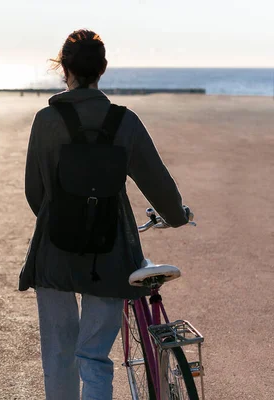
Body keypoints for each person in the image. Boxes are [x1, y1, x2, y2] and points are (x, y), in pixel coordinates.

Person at [19, 29, 190, 400]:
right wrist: (177, 217)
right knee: (94, 357)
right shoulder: (124, 122)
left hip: (54, 252)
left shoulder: (46, 121)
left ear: (63, 67)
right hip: (110, 252)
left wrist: (63, 220)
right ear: (104, 68)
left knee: (59, 355)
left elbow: (36, 193)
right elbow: (157, 182)